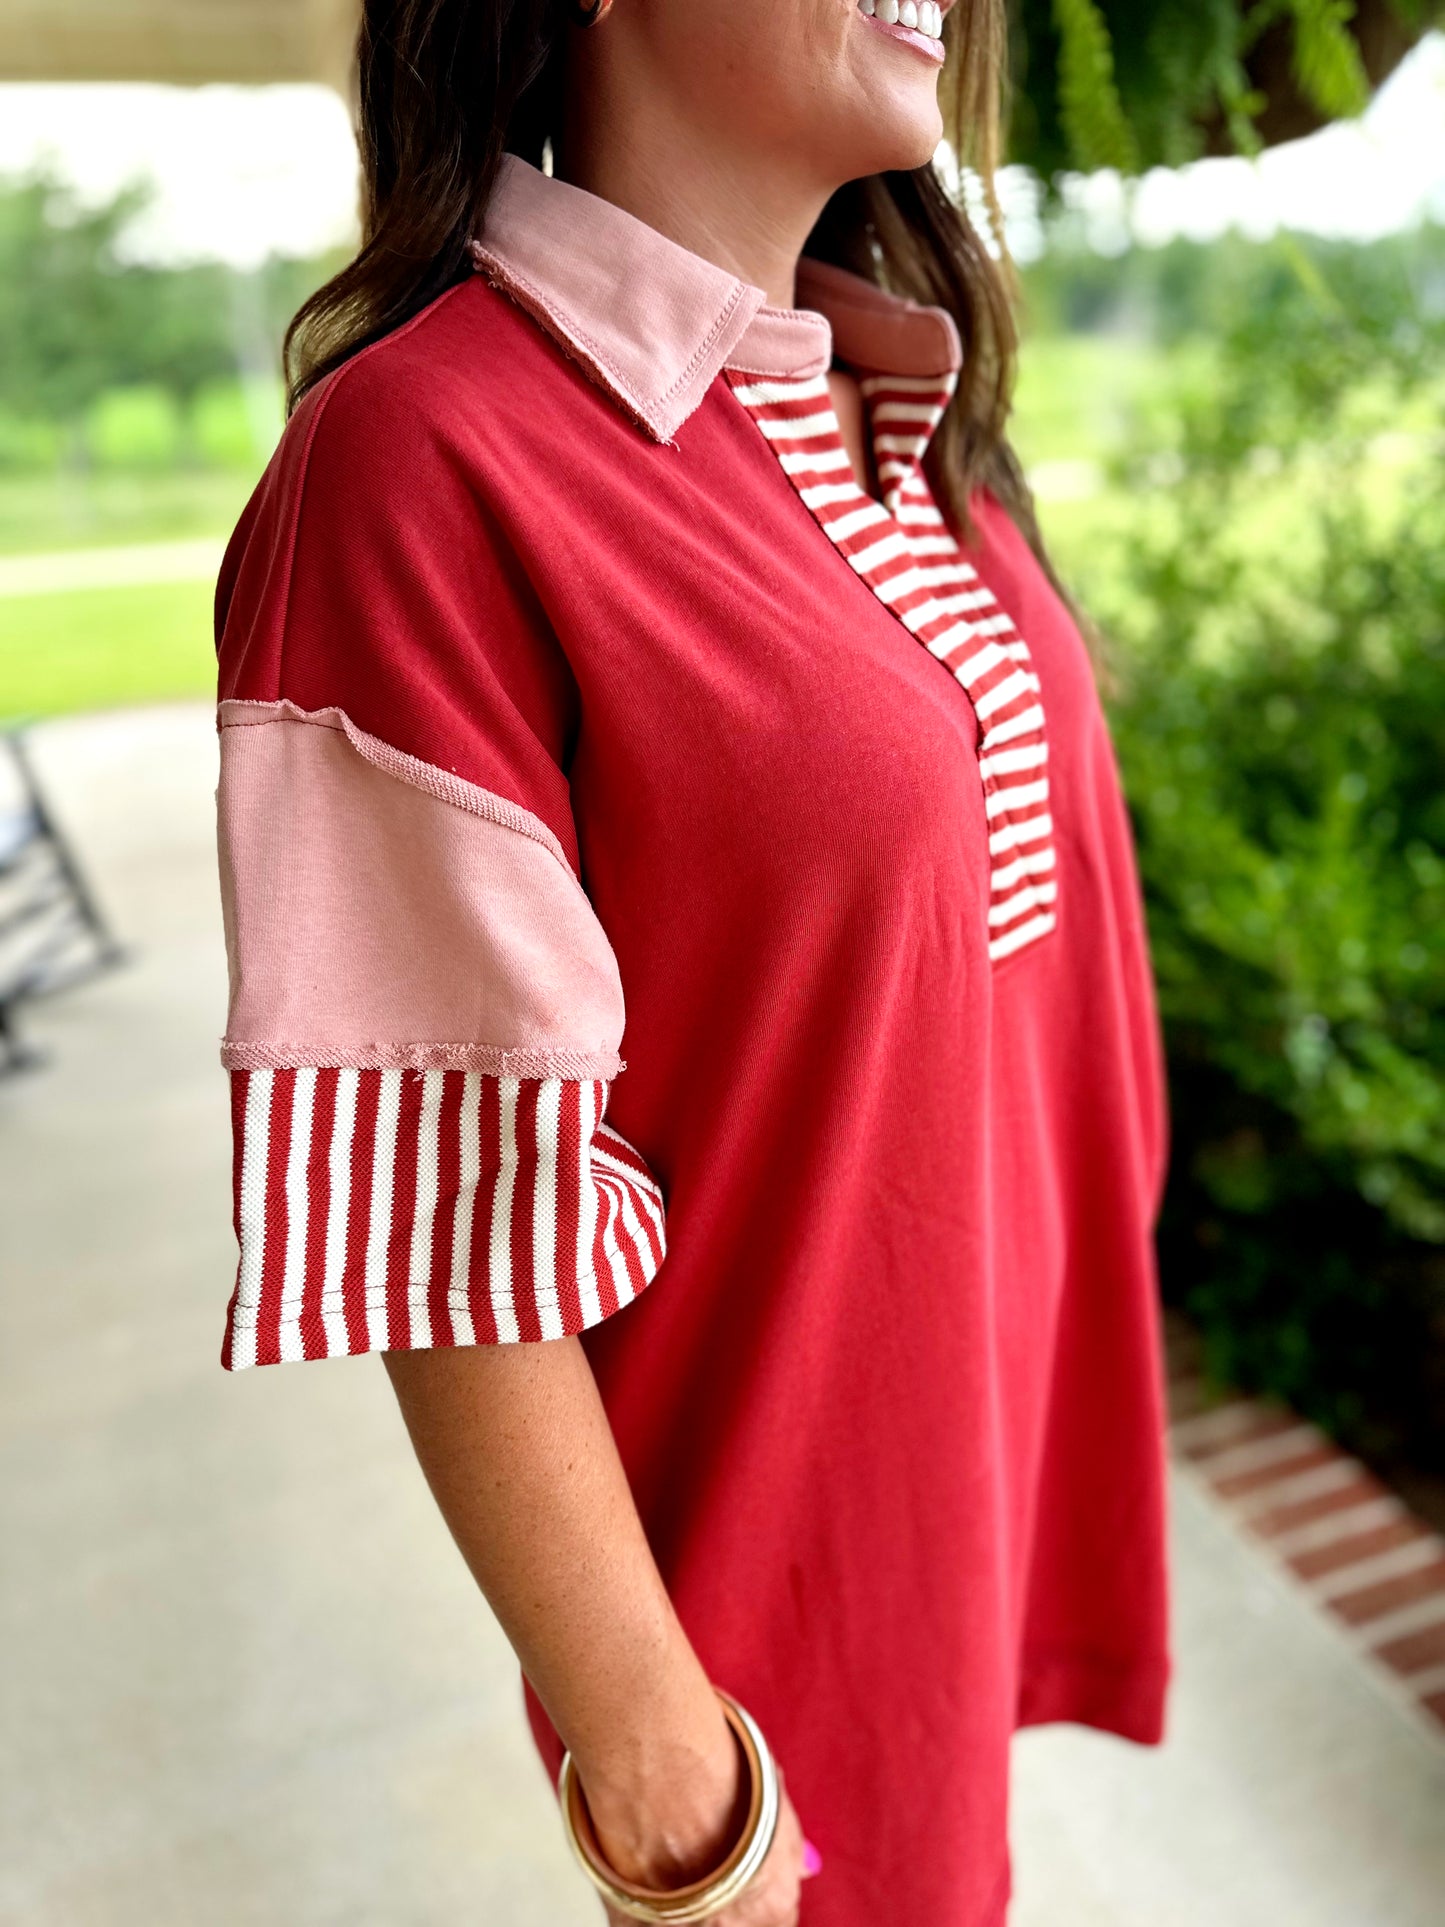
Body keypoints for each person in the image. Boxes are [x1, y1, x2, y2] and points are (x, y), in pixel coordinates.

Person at [211, 1, 1173, 1921]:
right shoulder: (424, 455)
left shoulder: (892, 403)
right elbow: (437, 1206)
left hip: (975, 1498)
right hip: (766, 1640)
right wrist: (665, 1780)